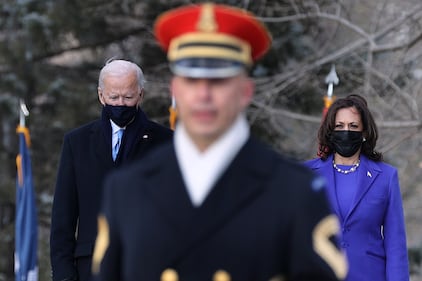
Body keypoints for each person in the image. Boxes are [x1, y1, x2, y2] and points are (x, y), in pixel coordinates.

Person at [91, 3, 348, 281]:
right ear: (175, 90)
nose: (204, 94)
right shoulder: (127, 190)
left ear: (245, 90)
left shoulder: (295, 192)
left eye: (219, 81)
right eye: (192, 80)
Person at [50, 59, 173, 281]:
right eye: (113, 97)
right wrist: (64, 275)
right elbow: (63, 218)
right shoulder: (77, 143)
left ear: (140, 95)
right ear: (101, 95)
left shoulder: (167, 142)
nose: (120, 104)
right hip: (90, 269)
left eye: (128, 97)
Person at [304, 94, 409, 281]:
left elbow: (396, 246)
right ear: (330, 130)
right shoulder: (306, 174)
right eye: (340, 126)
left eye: (353, 126)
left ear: (364, 132)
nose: (346, 131)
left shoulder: (386, 176)